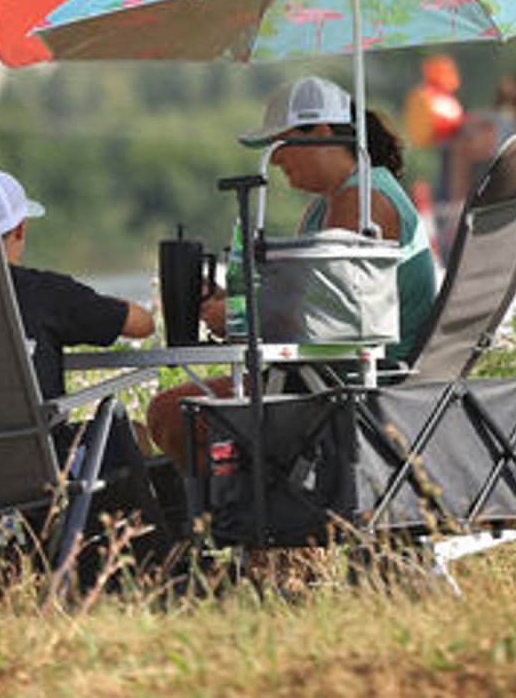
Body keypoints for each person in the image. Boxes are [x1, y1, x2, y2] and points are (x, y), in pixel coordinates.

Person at [145, 75, 438, 469]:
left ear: (317, 132)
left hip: (355, 387)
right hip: (329, 376)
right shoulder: (331, 202)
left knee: (172, 416)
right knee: (174, 414)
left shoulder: (362, 200)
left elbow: (329, 319)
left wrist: (242, 318)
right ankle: (252, 507)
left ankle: (245, 519)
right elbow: (313, 303)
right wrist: (233, 305)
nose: (277, 158)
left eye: (279, 143)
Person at [0, 168, 155, 410]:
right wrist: (89, 301)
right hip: (32, 445)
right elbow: (143, 324)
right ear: (21, 229)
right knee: (134, 432)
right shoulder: (47, 294)